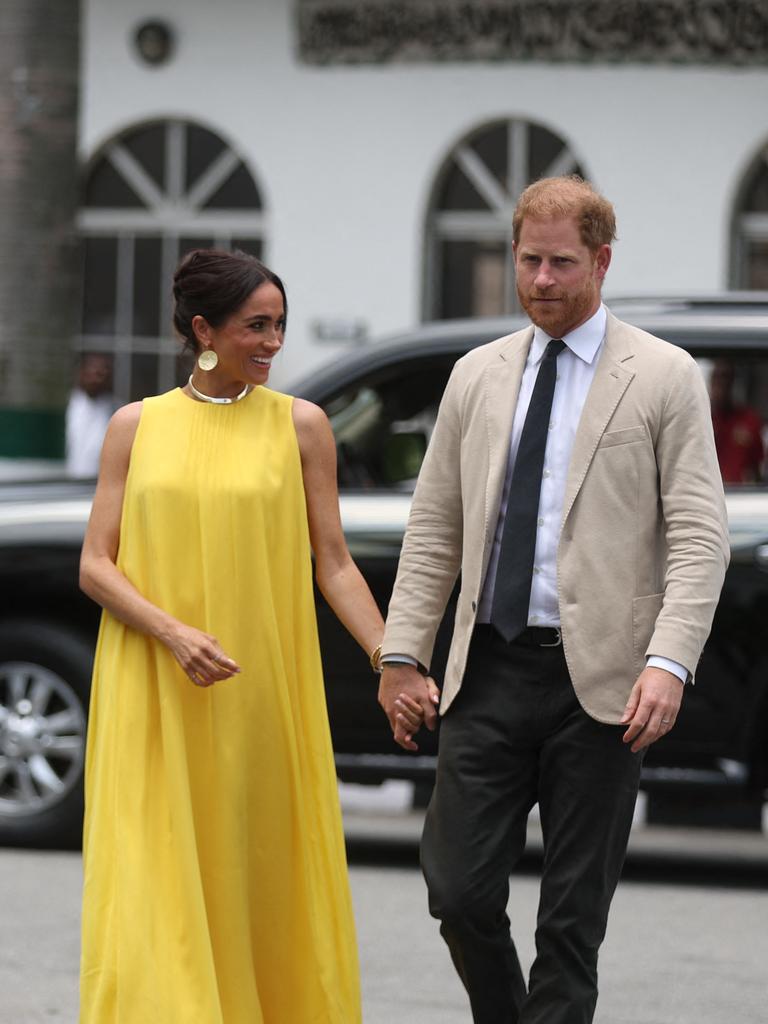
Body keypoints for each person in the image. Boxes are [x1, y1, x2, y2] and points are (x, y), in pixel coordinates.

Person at [378, 176, 729, 1024]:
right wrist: (400, 655)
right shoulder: (477, 375)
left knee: (572, 925)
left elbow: (699, 534)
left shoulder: (663, 375)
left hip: (602, 685)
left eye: (561, 263)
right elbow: (434, 529)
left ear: (601, 260)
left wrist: (669, 662)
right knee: (457, 891)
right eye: (528, 261)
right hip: (487, 671)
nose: (541, 280)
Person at [78, 249, 412, 1022]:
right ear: (204, 330)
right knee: (155, 878)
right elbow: (97, 565)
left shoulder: (303, 426)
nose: (272, 342)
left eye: (280, 326)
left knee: (259, 871)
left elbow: (333, 566)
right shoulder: (135, 426)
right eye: (255, 326)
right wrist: (172, 633)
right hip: (155, 686)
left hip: (261, 691)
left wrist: (390, 657)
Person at [709, 357, 764, 483]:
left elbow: (758, 468)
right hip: (708, 494)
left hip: (741, 496)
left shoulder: (749, 421)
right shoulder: (702, 418)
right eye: (716, 378)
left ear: (733, 382)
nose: (721, 385)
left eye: (725, 378)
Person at [65, 353, 119, 477]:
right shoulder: (70, 405)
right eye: (90, 374)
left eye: (100, 375)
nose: (95, 380)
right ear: (81, 373)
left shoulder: (117, 411)